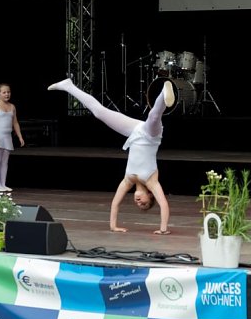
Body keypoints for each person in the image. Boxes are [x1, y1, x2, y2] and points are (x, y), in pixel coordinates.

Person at [48, 77, 173, 234]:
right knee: (154, 117)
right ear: (150, 195)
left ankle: (68, 86)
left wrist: (113, 226)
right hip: (150, 136)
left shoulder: (127, 181)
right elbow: (163, 204)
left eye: (139, 206)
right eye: (145, 204)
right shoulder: (152, 181)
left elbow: (115, 203)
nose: (139, 203)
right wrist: (163, 229)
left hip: (134, 132)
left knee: (99, 112)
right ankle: (164, 92)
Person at [0, 83, 25, 192]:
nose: (7, 94)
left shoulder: (12, 106)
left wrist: (20, 136)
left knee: (5, 161)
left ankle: (3, 184)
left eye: (8, 92)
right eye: (4, 92)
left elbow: (15, 122)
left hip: (7, 137)